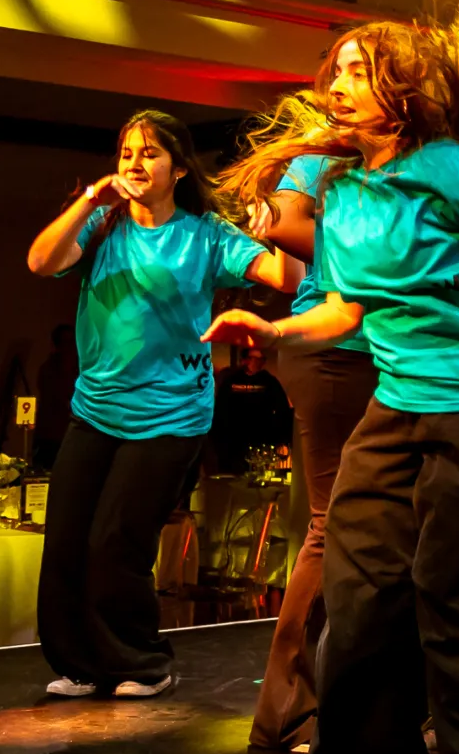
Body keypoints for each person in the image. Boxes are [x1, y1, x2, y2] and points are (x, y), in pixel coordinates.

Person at [205, 11, 459, 754]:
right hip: (401, 401)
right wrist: (272, 330)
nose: (336, 86)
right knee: (362, 585)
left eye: (357, 70)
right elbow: (345, 308)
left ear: (405, 86)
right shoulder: (345, 194)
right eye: (334, 71)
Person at [26, 110, 300, 699]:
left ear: (177, 168)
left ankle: (143, 663)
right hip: (96, 410)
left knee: (114, 543)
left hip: (170, 416)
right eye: (127, 151)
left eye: (149, 152)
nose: (134, 162)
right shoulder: (102, 226)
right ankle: (80, 663)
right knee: (67, 540)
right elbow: (40, 261)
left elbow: (284, 277)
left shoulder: (205, 236)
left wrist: (283, 219)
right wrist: (87, 201)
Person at [221, 148, 382, 752]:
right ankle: (289, 708)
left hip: (400, 353)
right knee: (331, 522)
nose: (346, 85)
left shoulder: (424, 159)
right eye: (343, 71)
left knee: (395, 531)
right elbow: (285, 225)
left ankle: (375, 704)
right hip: (337, 349)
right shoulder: (322, 163)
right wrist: (390, 255)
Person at [210, 345, 291, 473]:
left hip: (261, 438)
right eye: (256, 359)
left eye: (262, 359)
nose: (260, 363)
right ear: (245, 360)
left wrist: (282, 438)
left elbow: (282, 409)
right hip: (232, 439)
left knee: (258, 472)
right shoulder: (231, 380)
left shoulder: (269, 381)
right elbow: (220, 408)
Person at [32, 323, 77, 469]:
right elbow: (59, 399)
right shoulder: (49, 371)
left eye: (73, 342)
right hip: (51, 437)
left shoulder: (81, 370)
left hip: (73, 435)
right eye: (67, 342)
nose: (71, 347)